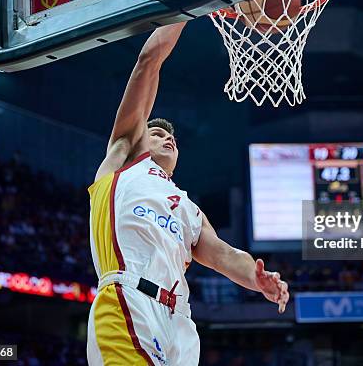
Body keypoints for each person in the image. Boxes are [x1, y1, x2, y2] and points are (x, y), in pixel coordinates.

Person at [86, 22, 289, 365]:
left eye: (172, 139)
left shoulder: (189, 208)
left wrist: (257, 280)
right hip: (128, 298)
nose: (167, 138)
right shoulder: (120, 162)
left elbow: (224, 255)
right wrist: (188, 6)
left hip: (180, 323)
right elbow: (149, 60)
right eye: (155, 133)